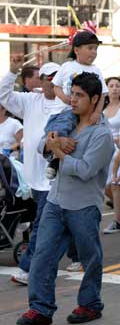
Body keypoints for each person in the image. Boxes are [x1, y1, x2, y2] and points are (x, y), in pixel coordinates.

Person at [16, 73, 114, 325]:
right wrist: (54, 144)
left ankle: (91, 304)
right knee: (42, 256)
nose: (73, 100)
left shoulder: (101, 135)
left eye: (80, 96)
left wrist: (58, 151)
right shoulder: (66, 121)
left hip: (83, 206)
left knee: (90, 258)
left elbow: (85, 170)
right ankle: (40, 309)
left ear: (95, 99)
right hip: (55, 200)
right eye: (73, 93)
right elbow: (40, 145)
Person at [1, 58, 67, 285]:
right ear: (41, 81)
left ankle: (30, 268)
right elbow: (3, 96)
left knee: (44, 225)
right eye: (48, 79)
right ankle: (47, 265)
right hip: (32, 179)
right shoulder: (30, 101)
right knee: (53, 226)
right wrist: (12, 71)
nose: (52, 83)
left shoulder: (68, 105)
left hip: (58, 178)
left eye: (56, 79)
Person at [47, 30, 108, 179]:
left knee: (78, 141)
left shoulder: (96, 70)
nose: (93, 52)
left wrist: (97, 112)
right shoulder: (67, 66)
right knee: (59, 133)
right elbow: (56, 86)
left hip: (83, 114)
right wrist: (64, 98)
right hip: (63, 111)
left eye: (95, 49)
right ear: (76, 50)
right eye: (90, 48)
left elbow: (103, 94)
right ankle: (55, 161)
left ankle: (63, 163)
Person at [101, 77, 120, 234]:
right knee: (106, 186)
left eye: (117, 86)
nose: (114, 88)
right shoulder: (101, 107)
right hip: (105, 150)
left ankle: (117, 221)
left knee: (116, 185)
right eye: (111, 86)